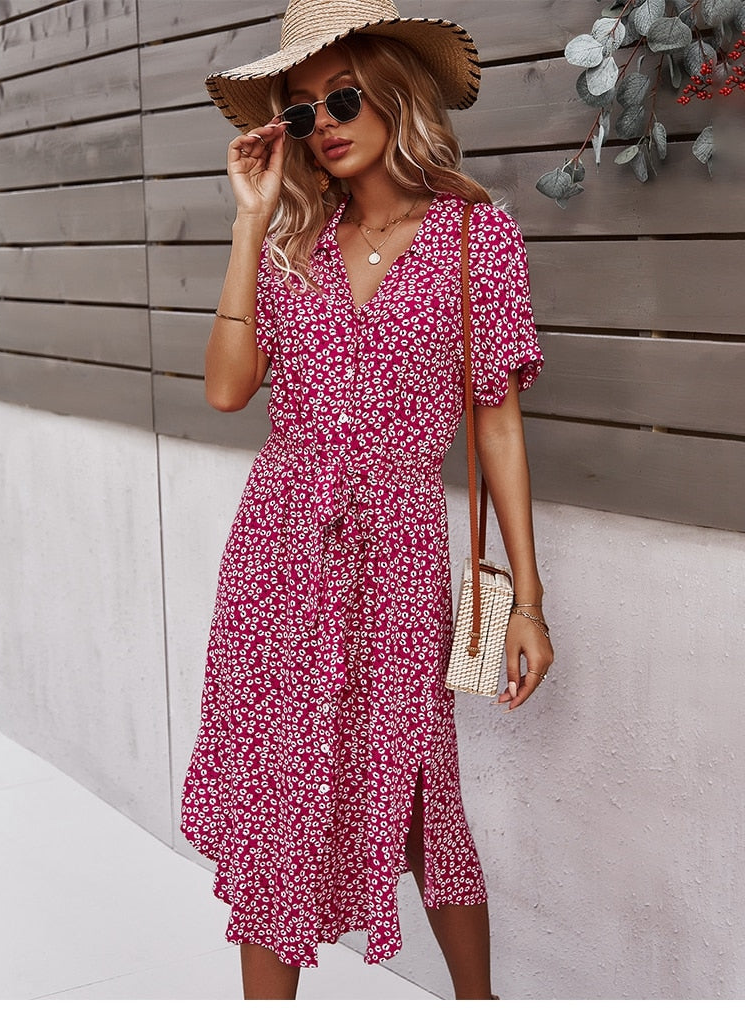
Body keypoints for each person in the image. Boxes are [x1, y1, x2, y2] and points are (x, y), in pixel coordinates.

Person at [181, 0, 554, 1000]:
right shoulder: (290, 241)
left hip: (396, 553)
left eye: (342, 97)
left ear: (394, 91)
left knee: (423, 794)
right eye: (301, 111)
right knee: (276, 798)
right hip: (277, 553)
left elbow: (497, 427)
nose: (324, 125)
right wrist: (249, 219)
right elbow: (225, 390)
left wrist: (526, 600)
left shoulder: (475, 236)